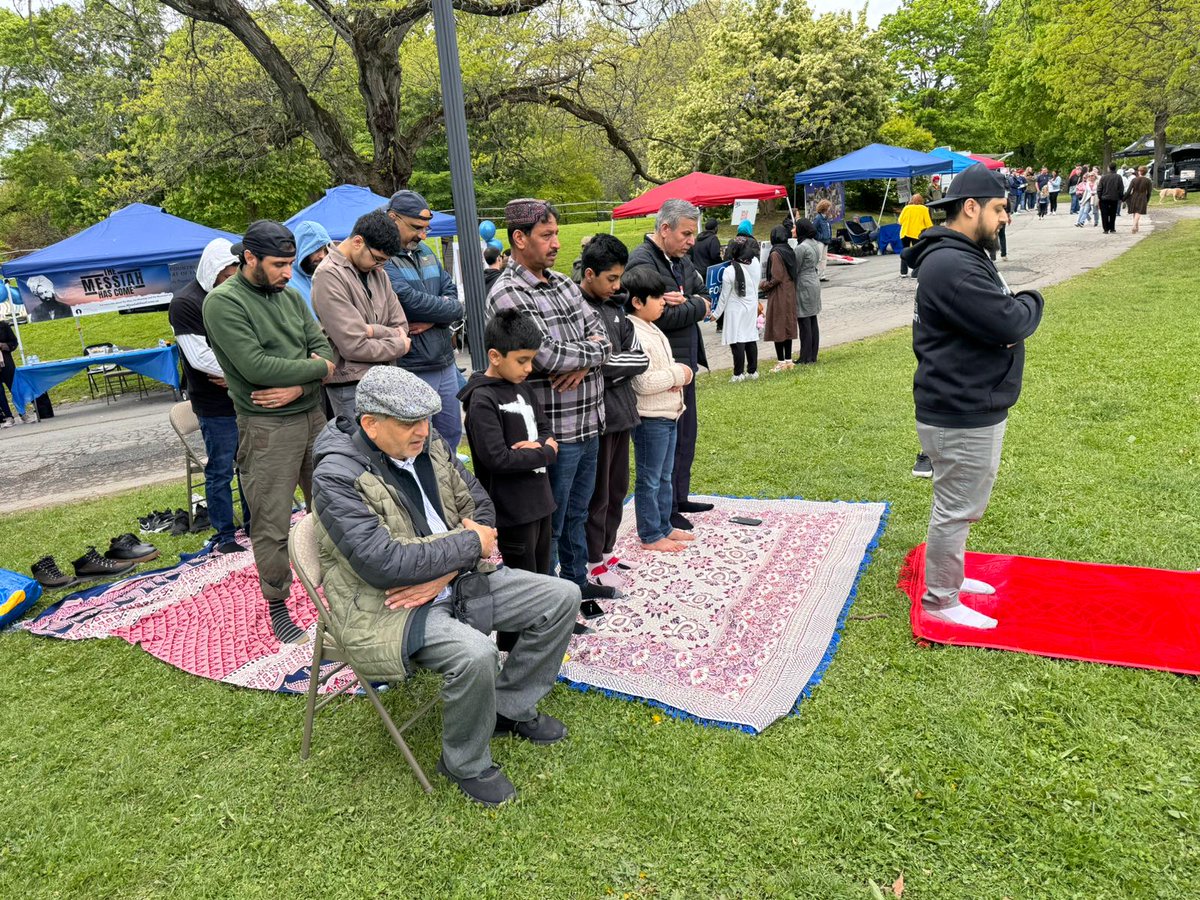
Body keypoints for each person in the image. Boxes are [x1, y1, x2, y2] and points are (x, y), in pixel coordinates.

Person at [310, 365, 578, 807]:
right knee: (476, 653)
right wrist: (468, 544)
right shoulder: (336, 476)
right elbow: (384, 563)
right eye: (409, 422)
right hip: (388, 605)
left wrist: (448, 569)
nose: (423, 431)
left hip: (456, 578)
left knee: (562, 596)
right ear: (370, 424)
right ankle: (464, 762)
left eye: (428, 419)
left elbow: (482, 508)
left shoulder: (430, 445)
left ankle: (507, 708)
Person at [901, 164, 1043, 630]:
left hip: (968, 403)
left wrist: (1010, 314)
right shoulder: (952, 264)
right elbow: (1009, 322)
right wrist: (1031, 300)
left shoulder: (962, 255)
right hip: (960, 410)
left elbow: (1000, 321)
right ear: (971, 207)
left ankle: (951, 580)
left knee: (961, 504)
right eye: (1000, 209)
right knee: (956, 507)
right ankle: (941, 600)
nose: (1006, 218)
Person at [203, 220, 335, 644]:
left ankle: (342, 590)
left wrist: (303, 382)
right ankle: (277, 603)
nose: (285, 272)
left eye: (290, 263)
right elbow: (256, 367)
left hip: (312, 415)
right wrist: (319, 369)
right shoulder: (224, 303)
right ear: (250, 258)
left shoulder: (292, 296)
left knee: (334, 507)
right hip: (266, 427)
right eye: (278, 264)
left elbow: (328, 350)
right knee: (272, 520)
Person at [486, 198, 616, 609]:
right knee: (554, 522)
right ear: (519, 239)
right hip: (554, 431)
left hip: (589, 420)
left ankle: (577, 585)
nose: (557, 243)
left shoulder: (562, 283)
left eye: (557, 233)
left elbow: (604, 338)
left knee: (579, 511)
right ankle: (552, 603)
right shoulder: (508, 292)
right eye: (547, 235)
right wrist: (586, 357)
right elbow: (546, 357)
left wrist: (583, 359)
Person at [624, 199, 711, 531]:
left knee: (686, 432)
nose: (691, 242)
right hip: (662, 366)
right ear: (664, 229)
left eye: (693, 234)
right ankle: (667, 509)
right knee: (664, 442)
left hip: (685, 359)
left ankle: (680, 496)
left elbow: (705, 295)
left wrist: (691, 301)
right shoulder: (641, 261)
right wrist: (695, 306)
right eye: (686, 234)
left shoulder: (681, 260)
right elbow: (661, 314)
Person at [458, 309, 558, 576]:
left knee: (545, 570)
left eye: (532, 360)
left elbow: (546, 428)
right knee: (525, 578)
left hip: (541, 500)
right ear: (495, 356)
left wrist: (541, 446)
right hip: (512, 509)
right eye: (522, 360)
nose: (529, 368)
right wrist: (545, 452)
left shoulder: (523, 386)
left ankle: (553, 615)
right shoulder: (482, 400)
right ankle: (534, 619)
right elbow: (497, 458)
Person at [168, 238, 248, 553]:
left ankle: (254, 524)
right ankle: (225, 535)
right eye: (227, 277)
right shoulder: (186, 303)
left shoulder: (237, 295)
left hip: (241, 395)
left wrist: (237, 375)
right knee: (220, 469)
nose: (231, 283)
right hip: (214, 403)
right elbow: (200, 359)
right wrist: (247, 371)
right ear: (213, 271)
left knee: (250, 465)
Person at [578, 234, 649, 588]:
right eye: (611, 279)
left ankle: (606, 550)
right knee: (598, 493)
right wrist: (608, 362)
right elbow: (597, 365)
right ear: (589, 274)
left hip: (622, 414)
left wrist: (608, 361)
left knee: (618, 488)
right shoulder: (578, 309)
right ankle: (591, 560)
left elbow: (640, 357)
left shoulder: (617, 310)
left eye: (620, 278)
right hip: (597, 418)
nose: (617, 285)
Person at [384, 190, 466, 451]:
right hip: (413, 366)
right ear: (393, 218)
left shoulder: (426, 252)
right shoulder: (384, 260)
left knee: (451, 433)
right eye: (417, 227)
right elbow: (407, 301)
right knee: (420, 442)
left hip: (444, 361)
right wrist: (443, 311)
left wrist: (433, 320)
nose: (422, 235)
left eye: (426, 228)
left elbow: (454, 300)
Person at [310, 210, 411, 421]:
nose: (380, 266)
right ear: (357, 242)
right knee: (360, 453)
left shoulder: (378, 273)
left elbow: (402, 325)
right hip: (351, 387)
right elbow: (353, 345)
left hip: (387, 378)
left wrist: (373, 330)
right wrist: (400, 344)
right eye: (377, 259)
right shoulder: (328, 275)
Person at [624, 267, 694, 553]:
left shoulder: (652, 327)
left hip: (669, 413)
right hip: (650, 418)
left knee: (665, 475)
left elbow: (661, 373)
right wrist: (679, 374)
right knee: (650, 478)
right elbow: (643, 382)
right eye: (656, 296)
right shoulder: (633, 331)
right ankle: (651, 533)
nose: (663, 301)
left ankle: (664, 525)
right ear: (638, 301)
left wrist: (674, 375)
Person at [720, 235, 762, 383]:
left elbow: (723, 297)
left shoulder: (730, 271)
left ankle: (738, 373)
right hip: (751, 304)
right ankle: (753, 370)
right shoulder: (755, 262)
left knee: (736, 339)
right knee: (751, 337)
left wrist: (715, 314)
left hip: (735, 306)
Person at [761, 224, 798, 373]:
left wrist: (764, 285)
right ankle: (789, 360)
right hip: (789, 290)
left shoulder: (775, 253)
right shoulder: (789, 250)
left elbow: (776, 277)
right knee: (787, 326)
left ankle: (781, 362)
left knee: (778, 326)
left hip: (779, 292)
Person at [287, 221, 332, 313]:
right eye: (316, 250)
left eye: (325, 249)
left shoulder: (331, 277)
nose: (322, 256)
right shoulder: (287, 282)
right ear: (301, 250)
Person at [794, 218, 822, 365]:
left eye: (795, 228)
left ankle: (805, 356)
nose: (793, 230)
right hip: (814, 281)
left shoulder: (801, 248)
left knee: (804, 320)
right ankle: (812, 354)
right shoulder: (814, 243)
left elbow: (795, 267)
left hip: (804, 283)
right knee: (812, 320)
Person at [898, 194, 933, 278]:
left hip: (905, 232)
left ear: (912, 200)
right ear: (921, 200)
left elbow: (900, 221)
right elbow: (928, 223)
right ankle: (915, 273)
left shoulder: (906, 208)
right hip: (917, 234)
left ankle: (903, 272)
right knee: (918, 253)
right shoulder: (924, 209)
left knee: (904, 251)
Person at [0, 318, 18, 428]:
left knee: (14, 388)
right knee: (0, 393)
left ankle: (22, 413)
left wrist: (3, 345)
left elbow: (14, 342)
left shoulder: (4, 326)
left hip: (6, 362)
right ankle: (8, 417)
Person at [1125, 165, 1153, 234]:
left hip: (1134, 196)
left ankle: (1136, 226)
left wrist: (1124, 198)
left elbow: (1129, 191)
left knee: (1135, 211)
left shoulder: (1134, 180)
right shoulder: (1148, 181)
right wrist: (1147, 199)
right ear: (1145, 172)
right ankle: (1134, 226)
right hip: (1142, 196)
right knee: (1138, 211)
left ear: (1139, 172)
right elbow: (1149, 192)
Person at [1098, 164, 1125, 234]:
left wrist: (1099, 197)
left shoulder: (1103, 177)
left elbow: (1099, 188)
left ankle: (1106, 229)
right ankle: (1112, 228)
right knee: (1113, 214)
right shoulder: (1118, 177)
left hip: (1104, 198)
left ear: (1109, 168)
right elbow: (1121, 188)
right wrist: (1121, 197)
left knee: (1104, 214)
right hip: (1114, 198)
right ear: (1115, 168)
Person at [813, 199, 833, 281]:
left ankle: (822, 275)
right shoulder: (818, 218)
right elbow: (814, 229)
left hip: (826, 241)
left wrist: (829, 237)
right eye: (828, 208)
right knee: (819, 258)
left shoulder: (826, 218)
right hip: (820, 241)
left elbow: (829, 228)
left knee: (824, 259)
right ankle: (816, 275)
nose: (830, 210)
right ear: (824, 208)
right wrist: (820, 237)